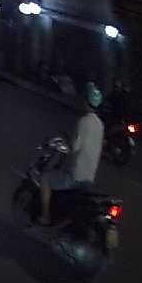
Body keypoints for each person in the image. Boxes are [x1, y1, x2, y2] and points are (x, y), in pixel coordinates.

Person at [38, 82, 105, 225]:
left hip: (75, 176)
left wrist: (63, 145)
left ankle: (45, 216)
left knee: (45, 178)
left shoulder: (84, 121)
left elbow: (74, 148)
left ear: (86, 101)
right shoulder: (100, 124)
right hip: (89, 178)